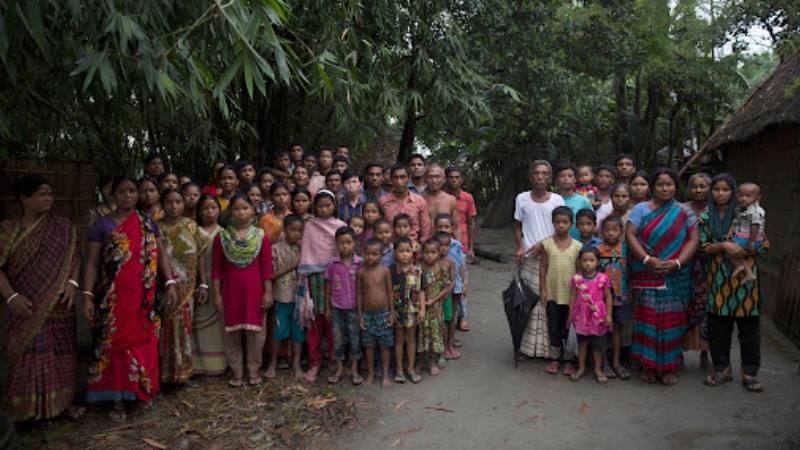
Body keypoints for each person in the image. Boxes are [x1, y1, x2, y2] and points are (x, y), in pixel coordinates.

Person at [82, 176, 178, 422]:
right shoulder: (101, 226)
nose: (128, 195)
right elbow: (92, 263)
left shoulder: (147, 224)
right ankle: (116, 399)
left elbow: (162, 257)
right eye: (122, 191)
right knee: (114, 345)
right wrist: (87, 296)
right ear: (111, 195)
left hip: (143, 299)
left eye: (132, 191)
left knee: (143, 342)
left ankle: (142, 393)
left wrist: (169, 283)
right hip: (112, 301)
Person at [0, 174, 82, 422]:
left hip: (59, 304)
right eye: (41, 195)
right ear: (24, 199)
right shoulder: (8, 230)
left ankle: (62, 405)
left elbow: (75, 258)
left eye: (50, 194)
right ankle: (24, 411)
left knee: (60, 352)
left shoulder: (63, 228)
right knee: (28, 353)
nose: (48, 199)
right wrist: (11, 296)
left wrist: (71, 283)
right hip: (24, 305)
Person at [626, 168, 699, 386]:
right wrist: (647, 260)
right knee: (647, 319)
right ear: (652, 187)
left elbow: (694, 240)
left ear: (676, 187)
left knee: (672, 322)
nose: (665, 188)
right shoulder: (640, 209)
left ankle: (668, 366)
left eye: (669, 184)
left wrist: (677, 263)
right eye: (660, 184)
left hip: (675, 275)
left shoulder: (685, 212)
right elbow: (630, 234)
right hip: (647, 273)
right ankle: (649, 365)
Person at [701, 174, 768, 391]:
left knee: (749, 328)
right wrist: (723, 246)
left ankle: (749, 372)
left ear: (734, 192)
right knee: (718, 327)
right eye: (716, 189)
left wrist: (751, 248)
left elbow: (764, 242)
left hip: (746, 282)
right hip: (719, 279)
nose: (721, 194)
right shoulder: (705, 216)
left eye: (726, 190)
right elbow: (703, 247)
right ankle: (722, 368)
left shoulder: (746, 213)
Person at [212, 194, 274, 388]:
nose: (241, 212)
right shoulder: (222, 238)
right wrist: (217, 294)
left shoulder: (261, 237)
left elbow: (267, 268)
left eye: (245, 208)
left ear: (252, 210)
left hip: (255, 291)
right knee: (231, 333)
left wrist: (268, 292)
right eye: (237, 208)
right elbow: (217, 269)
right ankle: (237, 371)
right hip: (230, 292)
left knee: (256, 333)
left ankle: (254, 369)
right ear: (231, 212)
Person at [515, 160, 565, 360]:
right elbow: (518, 225)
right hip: (529, 257)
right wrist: (520, 246)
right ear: (530, 177)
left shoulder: (557, 200)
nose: (540, 177)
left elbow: (561, 227)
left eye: (544, 173)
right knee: (528, 302)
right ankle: (526, 348)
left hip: (552, 257)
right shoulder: (522, 199)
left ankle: (549, 348)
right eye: (536, 173)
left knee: (549, 302)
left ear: (550, 178)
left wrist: (544, 243)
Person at [156, 189, 207, 385]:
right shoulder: (156, 229)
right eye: (169, 202)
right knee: (164, 330)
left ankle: (183, 372)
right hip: (164, 286)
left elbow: (199, 255)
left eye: (178, 202)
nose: (174, 206)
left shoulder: (192, 226)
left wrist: (203, 283)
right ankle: (163, 373)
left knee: (185, 329)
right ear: (162, 205)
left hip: (188, 287)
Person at [298, 190, 347, 383]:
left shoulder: (341, 226)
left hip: (336, 278)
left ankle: (335, 360)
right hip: (314, 280)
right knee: (314, 323)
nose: (324, 209)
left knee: (333, 322)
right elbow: (307, 250)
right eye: (320, 206)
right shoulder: (309, 226)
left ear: (334, 205)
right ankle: (314, 362)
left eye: (328, 205)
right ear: (314, 207)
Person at [540, 206, 583, 375]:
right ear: (553, 224)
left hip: (571, 295)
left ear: (571, 224)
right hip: (553, 294)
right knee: (554, 326)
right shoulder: (547, 244)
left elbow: (580, 273)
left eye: (565, 222)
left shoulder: (577, 246)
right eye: (557, 222)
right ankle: (555, 358)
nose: (561, 226)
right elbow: (543, 267)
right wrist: (543, 290)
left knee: (569, 327)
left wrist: (579, 294)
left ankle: (570, 359)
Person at [265, 214, 306, 380]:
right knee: (279, 331)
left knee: (298, 332)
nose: (296, 234)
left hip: (299, 298)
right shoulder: (275, 249)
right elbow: (272, 274)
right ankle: (273, 363)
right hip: (281, 297)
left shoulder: (302, 248)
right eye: (293, 230)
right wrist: (292, 266)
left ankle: (296, 363)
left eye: (299, 230)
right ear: (284, 230)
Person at [192, 195, 228, 377]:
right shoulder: (194, 232)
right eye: (205, 208)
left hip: (219, 284)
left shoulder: (224, 233)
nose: (209, 211)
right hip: (199, 283)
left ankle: (218, 363)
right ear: (199, 212)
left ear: (219, 210)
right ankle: (198, 363)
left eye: (213, 207)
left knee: (218, 322)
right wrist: (201, 283)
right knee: (199, 321)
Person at [324, 227, 364, 385]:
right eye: (341, 243)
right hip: (337, 307)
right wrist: (327, 307)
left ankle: (354, 368)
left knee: (355, 338)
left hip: (354, 307)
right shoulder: (332, 263)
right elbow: (328, 284)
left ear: (354, 243)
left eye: (348, 242)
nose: (345, 246)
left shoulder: (360, 263)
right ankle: (340, 368)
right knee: (338, 338)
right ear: (336, 244)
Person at [568, 247, 613, 383]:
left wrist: (609, 315)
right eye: (585, 260)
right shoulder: (576, 279)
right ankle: (581, 368)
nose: (588, 263)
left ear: (598, 262)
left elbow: (608, 297)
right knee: (582, 343)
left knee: (597, 345)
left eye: (591, 260)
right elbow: (573, 296)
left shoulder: (603, 279)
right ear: (580, 262)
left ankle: (598, 369)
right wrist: (571, 314)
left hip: (597, 316)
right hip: (581, 315)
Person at [683, 173, 713, 372]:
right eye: (694, 186)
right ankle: (677, 353)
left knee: (706, 312)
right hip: (685, 265)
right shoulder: (682, 209)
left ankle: (705, 355)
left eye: (703, 186)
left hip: (709, 266)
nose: (698, 190)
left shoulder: (716, 210)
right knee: (682, 308)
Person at [357, 238, 395, 389]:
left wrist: (392, 313)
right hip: (367, 315)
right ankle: (371, 374)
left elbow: (390, 292)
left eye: (374, 254)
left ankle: (385, 374)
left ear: (381, 255)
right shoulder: (361, 272)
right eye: (367, 254)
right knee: (369, 346)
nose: (370, 257)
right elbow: (359, 295)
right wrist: (360, 316)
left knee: (385, 346)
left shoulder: (385, 271)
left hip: (384, 313)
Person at [597, 216, 630, 380]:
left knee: (616, 329)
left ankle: (616, 362)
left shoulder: (625, 250)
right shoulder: (597, 250)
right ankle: (604, 362)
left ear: (621, 232)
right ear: (602, 232)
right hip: (600, 299)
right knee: (602, 330)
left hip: (620, 297)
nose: (611, 233)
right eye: (607, 230)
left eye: (615, 230)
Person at [390, 237, 426, 384]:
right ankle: (399, 369)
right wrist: (392, 310)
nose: (404, 254)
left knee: (411, 340)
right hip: (398, 311)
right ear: (394, 253)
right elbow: (388, 292)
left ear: (413, 252)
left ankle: (410, 368)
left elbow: (422, 291)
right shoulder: (391, 271)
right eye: (401, 251)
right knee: (399, 340)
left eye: (407, 251)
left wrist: (422, 309)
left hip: (413, 311)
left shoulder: (418, 270)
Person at [417, 239, 453, 376]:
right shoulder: (419, 268)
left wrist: (434, 300)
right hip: (421, 308)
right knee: (422, 334)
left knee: (435, 334)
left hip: (436, 308)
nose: (429, 255)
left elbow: (446, 286)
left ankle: (433, 361)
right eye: (426, 252)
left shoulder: (441, 269)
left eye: (433, 252)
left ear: (438, 254)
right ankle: (420, 360)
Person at [434, 217, 466, 358]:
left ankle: (449, 344)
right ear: (435, 228)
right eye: (440, 226)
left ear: (452, 229)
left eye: (446, 227)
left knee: (450, 317)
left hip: (455, 288)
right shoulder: (431, 246)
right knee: (438, 318)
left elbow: (462, 266)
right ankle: (438, 346)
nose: (443, 229)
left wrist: (464, 283)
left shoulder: (457, 245)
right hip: (435, 290)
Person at [380, 164, 431, 243]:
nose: (399, 181)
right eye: (395, 177)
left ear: (409, 178)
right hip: (390, 248)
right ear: (390, 179)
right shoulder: (383, 201)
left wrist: (421, 248)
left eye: (402, 177)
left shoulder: (419, 201)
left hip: (413, 249)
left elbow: (425, 229)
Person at [726, 182, 765, 284]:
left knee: (730, 250)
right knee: (738, 253)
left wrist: (751, 241)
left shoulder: (756, 211)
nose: (743, 198)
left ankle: (739, 266)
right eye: (741, 195)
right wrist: (730, 231)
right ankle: (749, 273)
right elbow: (736, 221)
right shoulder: (742, 209)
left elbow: (755, 225)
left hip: (750, 238)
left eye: (748, 196)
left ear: (757, 199)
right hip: (744, 237)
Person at [445, 166, 477, 263]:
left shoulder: (468, 198)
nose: (454, 180)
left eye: (457, 177)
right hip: (442, 244)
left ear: (461, 180)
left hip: (462, 244)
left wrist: (471, 248)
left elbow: (471, 224)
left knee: (461, 275)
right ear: (445, 179)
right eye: (451, 177)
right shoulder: (441, 197)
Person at [422, 164, 462, 243]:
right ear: (425, 179)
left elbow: (456, 227)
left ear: (443, 179)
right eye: (430, 177)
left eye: (437, 177)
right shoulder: (419, 199)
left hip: (445, 245)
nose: (434, 180)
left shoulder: (451, 200)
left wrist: (458, 248)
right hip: (426, 245)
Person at [554, 163, 593, 241]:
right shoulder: (552, 200)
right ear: (556, 180)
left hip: (580, 245)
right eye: (562, 176)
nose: (566, 179)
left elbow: (592, 224)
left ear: (575, 179)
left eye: (570, 176)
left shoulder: (584, 201)